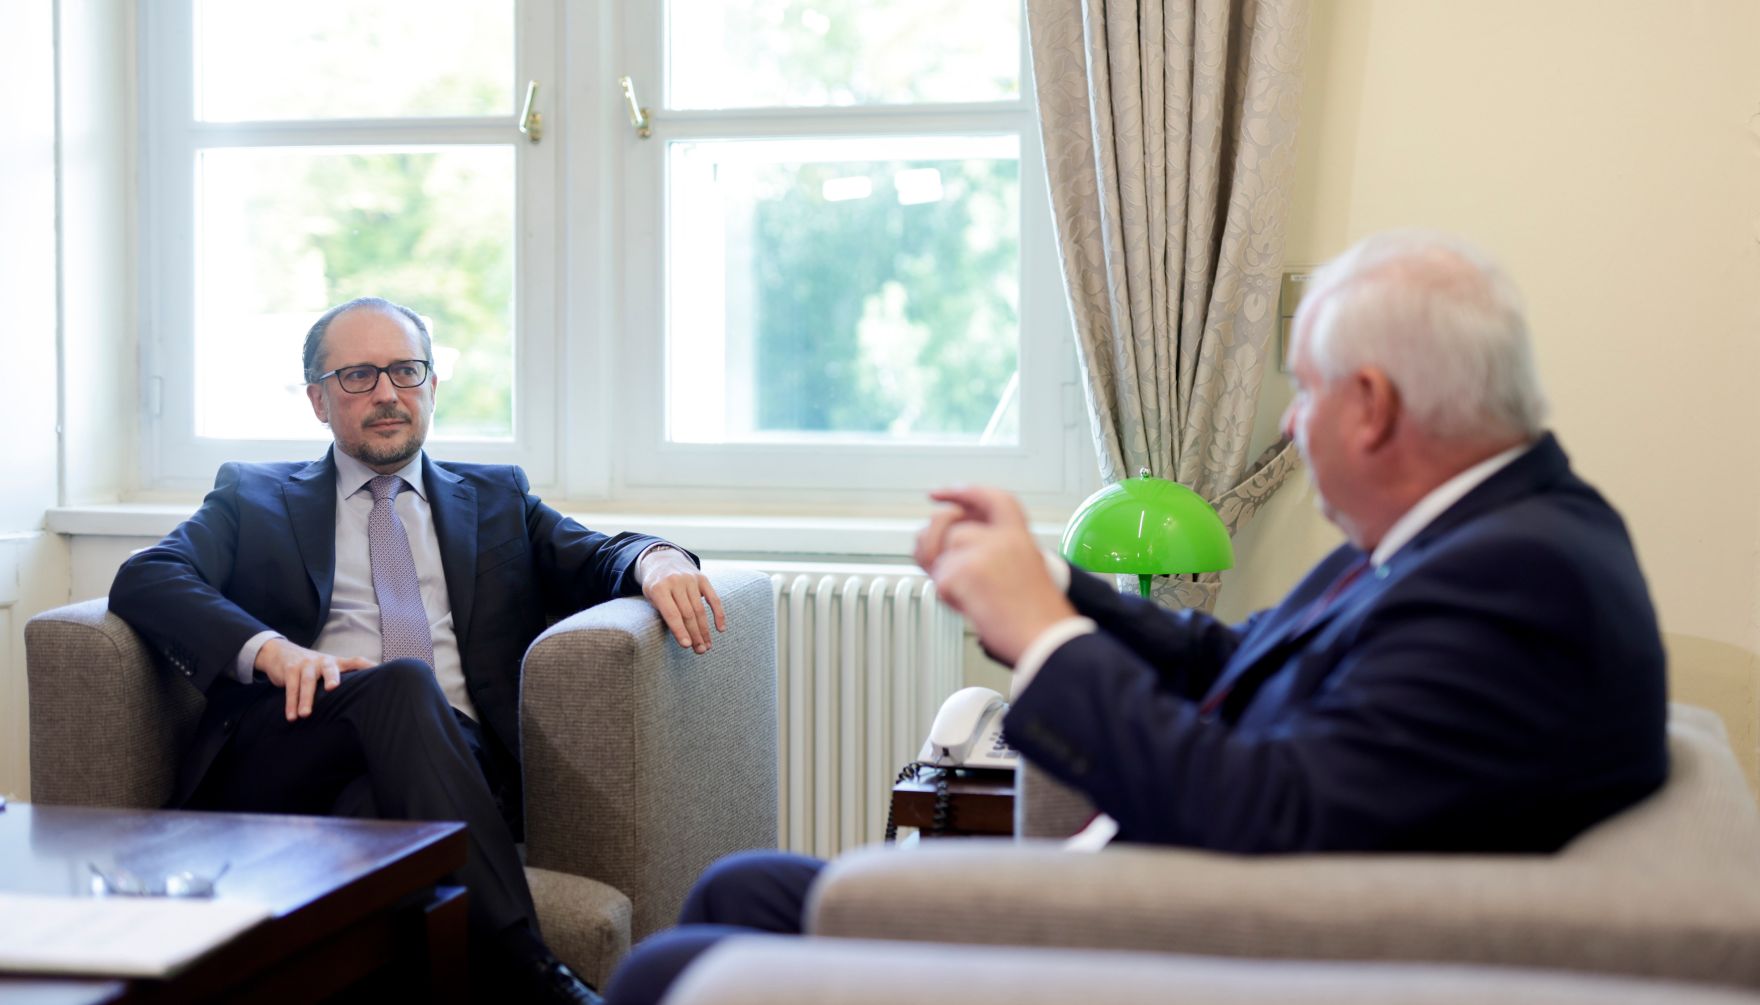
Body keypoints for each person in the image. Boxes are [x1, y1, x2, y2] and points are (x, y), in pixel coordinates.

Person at [601, 230, 1669, 1004]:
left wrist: (1044, 636)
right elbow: (1238, 656)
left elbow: (1263, 816)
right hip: (1171, 888)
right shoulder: (1482, 533)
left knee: (670, 966)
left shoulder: (1519, 581)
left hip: (1176, 941)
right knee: (739, 885)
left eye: (1304, 393)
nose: (1292, 426)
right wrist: (1059, 587)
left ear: (1373, 407)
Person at [110, 296, 726, 1005]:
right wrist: (272, 650)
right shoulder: (255, 496)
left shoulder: (496, 498)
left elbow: (594, 556)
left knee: (377, 801)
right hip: (293, 740)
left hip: (450, 756)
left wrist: (657, 559)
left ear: (432, 384)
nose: (387, 393)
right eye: (358, 376)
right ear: (317, 400)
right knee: (401, 682)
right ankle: (532, 972)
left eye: (405, 371)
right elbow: (149, 575)